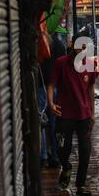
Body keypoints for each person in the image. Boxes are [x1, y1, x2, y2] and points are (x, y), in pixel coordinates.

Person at [48, 33, 97, 196]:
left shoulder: (90, 64)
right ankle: (66, 166)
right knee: (62, 148)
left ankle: (81, 184)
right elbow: (51, 84)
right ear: (72, 45)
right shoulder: (61, 63)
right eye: (79, 45)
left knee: (85, 150)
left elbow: (90, 89)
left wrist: (92, 113)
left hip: (84, 115)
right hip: (64, 114)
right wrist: (51, 104)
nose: (82, 49)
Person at [40, 32, 67, 169]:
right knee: (54, 122)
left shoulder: (42, 42)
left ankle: (46, 156)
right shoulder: (60, 44)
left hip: (43, 85)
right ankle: (56, 156)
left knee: (44, 121)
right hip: (56, 86)